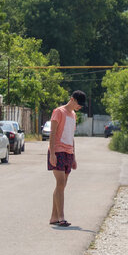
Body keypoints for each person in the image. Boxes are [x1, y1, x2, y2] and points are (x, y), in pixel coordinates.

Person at [47, 90, 86, 227]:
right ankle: (62, 217)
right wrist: (52, 153)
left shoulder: (74, 115)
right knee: (60, 182)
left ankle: (54, 217)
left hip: (68, 152)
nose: (80, 107)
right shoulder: (59, 111)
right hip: (57, 151)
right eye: (78, 103)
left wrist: (74, 156)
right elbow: (52, 134)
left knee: (62, 186)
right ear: (72, 99)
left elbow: (71, 136)